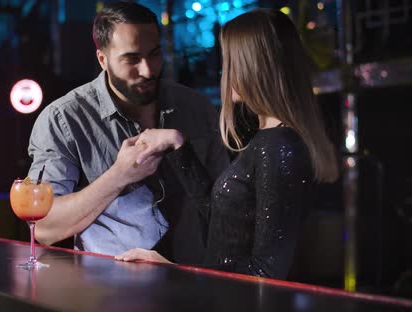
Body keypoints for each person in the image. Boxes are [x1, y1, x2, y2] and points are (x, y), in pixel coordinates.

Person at [115, 8, 339, 280]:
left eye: (230, 60)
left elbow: (264, 273)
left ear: (253, 67)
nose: (225, 71)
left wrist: (174, 272)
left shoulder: (279, 146)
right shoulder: (267, 139)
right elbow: (223, 220)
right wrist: (177, 144)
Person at [27, 2, 229, 257]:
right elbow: (43, 227)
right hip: (110, 287)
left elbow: (225, 210)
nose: (147, 70)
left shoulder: (196, 108)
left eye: (154, 54)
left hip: (194, 281)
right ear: (103, 59)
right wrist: (119, 175)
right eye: (132, 59)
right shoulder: (64, 119)